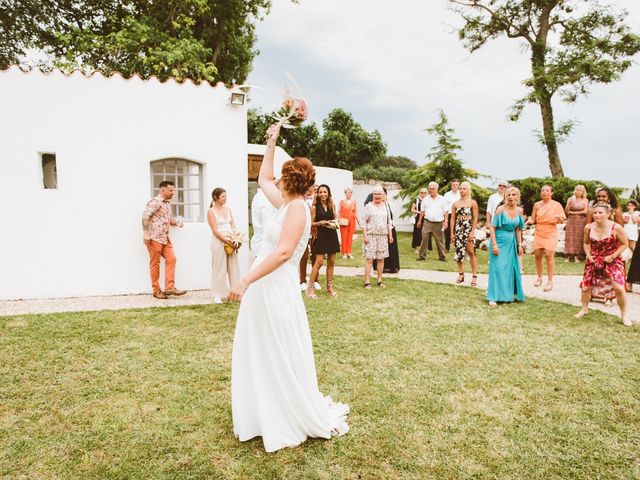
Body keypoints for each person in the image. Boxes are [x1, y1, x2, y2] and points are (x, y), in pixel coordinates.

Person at [227, 121, 349, 453]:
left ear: (289, 180)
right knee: (262, 347)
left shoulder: (297, 209)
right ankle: (262, 410)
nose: (275, 180)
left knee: (276, 348)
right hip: (263, 288)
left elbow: (282, 253)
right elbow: (262, 179)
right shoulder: (285, 204)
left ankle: (284, 411)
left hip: (275, 288)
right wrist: (271, 142)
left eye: (282, 176)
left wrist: (245, 279)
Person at [575, 203, 632, 326]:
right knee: (586, 285)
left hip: (613, 257)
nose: (597, 215)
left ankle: (624, 315)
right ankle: (584, 309)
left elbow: (625, 244)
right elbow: (585, 243)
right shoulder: (588, 228)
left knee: (619, 288)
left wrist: (612, 256)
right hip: (594, 258)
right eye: (595, 212)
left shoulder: (616, 228)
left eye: (600, 212)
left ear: (608, 214)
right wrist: (589, 255)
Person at [141, 180, 186, 299]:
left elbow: (167, 219)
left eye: (173, 190)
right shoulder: (154, 202)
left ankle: (169, 287)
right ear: (162, 190)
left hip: (165, 238)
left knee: (172, 259)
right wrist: (145, 233)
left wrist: (177, 223)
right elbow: (145, 217)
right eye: (170, 190)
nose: (172, 193)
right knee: (155, 264)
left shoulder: (167, 204)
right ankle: (156, 291)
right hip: (154, 238)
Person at [487, 187, 525, 307]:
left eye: (513, 194)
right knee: (497, 268)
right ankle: (493, 297)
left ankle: (506, 296)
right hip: (498, 241)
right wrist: (494, 245)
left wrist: (520, 244)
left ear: (517, 197)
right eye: (508, 194)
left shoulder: (519, 211)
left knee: (508, 269)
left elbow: (518, 229)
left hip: (511, 243)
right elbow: (492, 227)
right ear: (505, 197)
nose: (510, 197)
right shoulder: (500, 210)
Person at [526, 185, 566, 292]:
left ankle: (550, 281)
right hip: (539, 230)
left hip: (551, 231)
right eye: (542, 190)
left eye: (547, 190)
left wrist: (559, 219)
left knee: (549, 255)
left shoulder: (556, 205)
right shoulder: (537, 205)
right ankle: (539, 277)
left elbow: (562, 220)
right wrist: (526, 222)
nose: (544, 192)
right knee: (538, 255)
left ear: (551, 193)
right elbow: (533, 219)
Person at [208, 187, 241, 304]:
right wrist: (226, 241)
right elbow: (215, 231)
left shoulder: (228, 209)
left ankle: (235, 293)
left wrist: (236, 238)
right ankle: (218, 294)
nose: (225, 198)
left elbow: (233, 225)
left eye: (226, 196)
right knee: (219, 268)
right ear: (216, 198)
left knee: (234, 267)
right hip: (219, 241)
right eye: (223, 196)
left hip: (231, 240)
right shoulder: (211, 211)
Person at [307, 184, 340, 298]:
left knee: (331, 262)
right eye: (320, 192)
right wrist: (320, 223)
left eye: (324, 192)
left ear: (328, 192)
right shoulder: (314, 207)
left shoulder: (332, 205)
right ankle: (310, 288)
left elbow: (335, 220)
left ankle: (329, 287)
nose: (322, 194)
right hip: (321, 235)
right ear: (317, 194)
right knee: (319, 262)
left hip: (332, 234)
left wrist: (335, 223)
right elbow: (310, 223)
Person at [361, 185, 393, 288]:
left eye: (379, 194)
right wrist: (365, 236)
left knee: (381, 259)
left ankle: (379, 280)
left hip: (382, 236)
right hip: (371, 236)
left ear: (383, 195)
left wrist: (390, 235)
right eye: (375, 194)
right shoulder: (369, 206)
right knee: (369, 259)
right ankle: (367, 281)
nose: (377, 196)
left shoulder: (386, 206)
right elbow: (364, 222)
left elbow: (389, 222)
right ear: (372, 195)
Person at [450, 181, 478, 286]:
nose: (462, 190)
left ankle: (474, 276)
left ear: (468, 190)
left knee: (471, 252)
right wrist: (452, 233)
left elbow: (475, 218)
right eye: (460, 188)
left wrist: (472, 232)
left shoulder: (473, 203)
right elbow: (452, 218)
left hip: (468, 228)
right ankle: (461, 274)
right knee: (458, 252)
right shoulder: (455, 204)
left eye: (464, 188)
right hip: (458, 228)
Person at [416, 182, 448, 262]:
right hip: (427, 223)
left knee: (439, 241)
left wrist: (446, 221)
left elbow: (446, 211)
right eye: (430, 189)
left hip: (438, 223)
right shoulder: (425, 199)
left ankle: (442, 257)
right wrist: (419, 221)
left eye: (433, 189)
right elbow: (422, 211)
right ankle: (422, 256)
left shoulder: (442, 199)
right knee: (424, 239)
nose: (431, 190)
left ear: (437, 189)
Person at [299, 185, 320, 292]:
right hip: (302, 230)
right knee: (303, 254)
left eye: (310, 186)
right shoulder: (299, 197)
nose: (307, 188)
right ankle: (302, 280)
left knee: (316, 255)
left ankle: (315, 280)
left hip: (315, 230)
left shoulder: (319, 197)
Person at [564, 184, 589, 262]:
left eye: (580, 190)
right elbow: (566, 211)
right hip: (571, 220)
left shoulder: (585, 200)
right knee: (570, 237)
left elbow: (585, 211)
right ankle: (568, 255)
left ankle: (578, 256)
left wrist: (573, 213)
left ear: (583, 192)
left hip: (581, 221)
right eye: (577, 190)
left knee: (579, 237)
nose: (578, 192)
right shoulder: (570, 199)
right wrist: (568, 205)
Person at [250, 187, 277, 256]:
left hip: (260, 243)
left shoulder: (258, 196)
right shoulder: (265, 198)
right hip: (265, 247)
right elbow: (268, 225)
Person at [382, 190, 400, 273]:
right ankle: (382, 267)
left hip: (391, 227)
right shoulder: (378, 206)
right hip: (382, 229)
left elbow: (392, 217)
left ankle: (393, 266)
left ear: (386, 195)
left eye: (383, 194)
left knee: (392, 248)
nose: (382, 196)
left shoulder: (391, 205)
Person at [338, 187, 357, 259]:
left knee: (350, 237)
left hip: (352, 220)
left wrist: (359, 222)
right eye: (348, 193)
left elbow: (356, 212)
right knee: (344, 237)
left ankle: (349, 252)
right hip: (344, 221)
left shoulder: (354, 202)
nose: (349, 194)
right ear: (345, 193)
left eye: (350, 193)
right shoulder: (341, 201)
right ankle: (344, 253)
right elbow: (339, 211)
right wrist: (337, 220)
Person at [443, 179, 461, 253]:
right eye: (453, 185)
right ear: (451, 185)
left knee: (458, 231)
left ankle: (457, 248)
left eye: (456, 185)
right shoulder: (447, 194)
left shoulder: (461, 194)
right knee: (447, 232)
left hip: (459, 214)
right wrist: (445, 218)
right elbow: (444, 207)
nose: (455, 186)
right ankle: (447, 248)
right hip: (449, 214)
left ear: (458, 185)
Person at [411, 188, 428, 252]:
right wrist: (419, 212)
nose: (423, 194)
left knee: (426, 232)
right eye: (421, 192)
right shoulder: (416, 199)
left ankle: (425, 247)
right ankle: (417, 247)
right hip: (418, 217)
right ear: (419, 193)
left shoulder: (429, 200)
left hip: (427, 217)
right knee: (418, 232)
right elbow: (412, 209)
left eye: (424, 192)